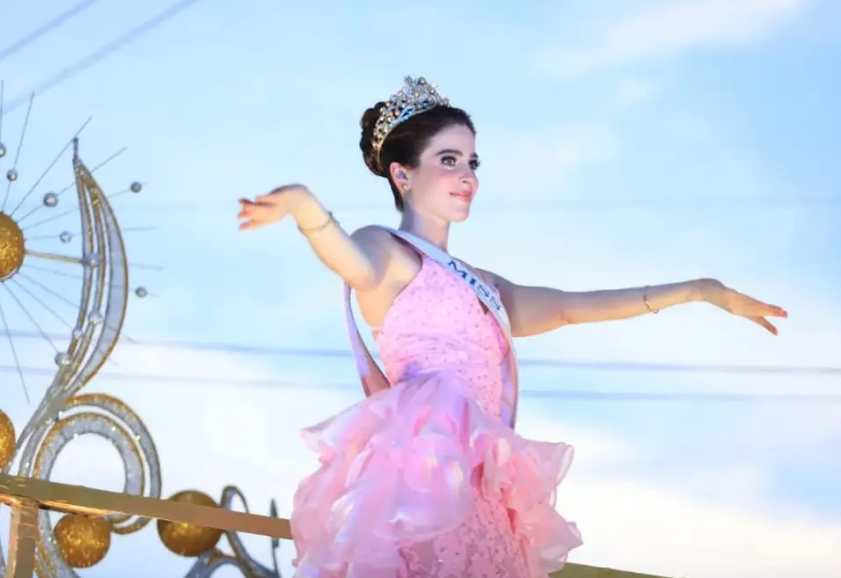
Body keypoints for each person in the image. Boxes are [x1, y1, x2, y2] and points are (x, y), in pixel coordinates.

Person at [237, 76, 788, 578]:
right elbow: (351, 263)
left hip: (482, 478)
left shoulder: (484, 284)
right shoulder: (388, 250)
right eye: (449, 160)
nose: (468, 177)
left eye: (473, 162)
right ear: (402, 174)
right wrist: (306, 210)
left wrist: (697, 290)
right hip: (424, 470)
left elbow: (570, 307)